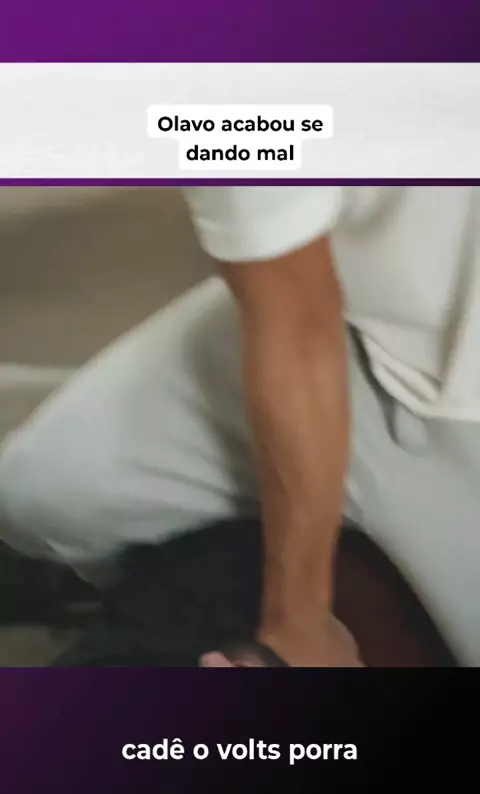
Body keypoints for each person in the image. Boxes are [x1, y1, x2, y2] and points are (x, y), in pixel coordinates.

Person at [0, 186, 478, 667]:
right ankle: (215, 583)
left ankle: (341, 584)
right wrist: (297, 622)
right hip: (355, 312)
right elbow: (294, 320)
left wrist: (299, 626)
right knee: (39, 493)